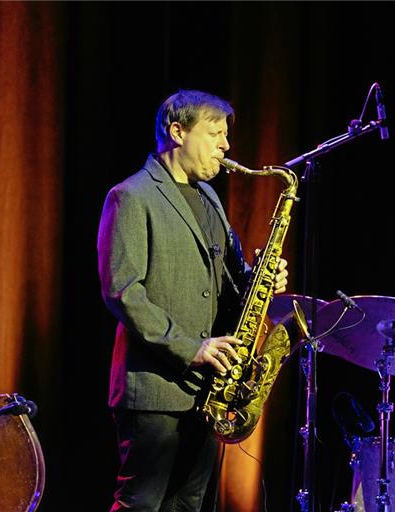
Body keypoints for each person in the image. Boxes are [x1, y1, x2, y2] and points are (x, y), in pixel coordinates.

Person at [97, 89, 289, 511]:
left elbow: (229, 282)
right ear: (177, 131)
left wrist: (261, 278)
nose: (226, 146)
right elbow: (122, 292)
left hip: (208, 392)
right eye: (215, 133)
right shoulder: (130, 195)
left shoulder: (210, 198)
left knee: (188, 504)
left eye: (226, 136)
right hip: (155, 389)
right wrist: (192, 348)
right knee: (141, 504)